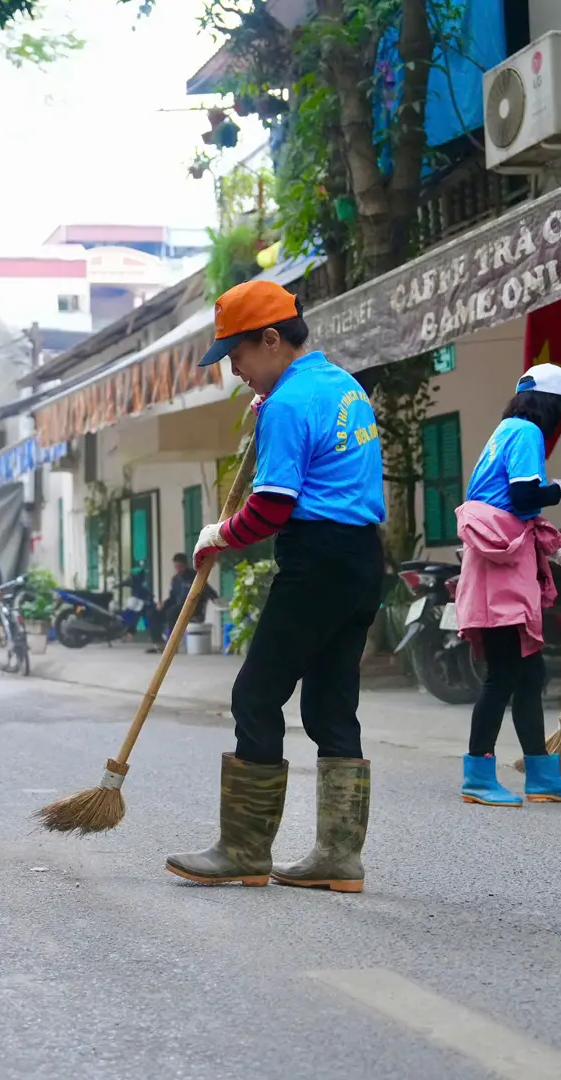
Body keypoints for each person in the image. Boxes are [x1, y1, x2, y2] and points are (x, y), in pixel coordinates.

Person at [165, 281, 385, 894]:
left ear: (270, 339)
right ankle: (339, 860)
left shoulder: (289, 404)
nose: (235, 371)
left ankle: (243, 849)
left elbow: (272, 509)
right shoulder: (343, 387)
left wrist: (219, 537)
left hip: (315, 561)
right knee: (329, 705)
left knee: (256, 696)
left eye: (237, 356)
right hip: (363, 560)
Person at [455, 364, 561, 807]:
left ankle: (541, 775)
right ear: (550, 405)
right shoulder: (527, 433)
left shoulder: (506, 430)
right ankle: (477, 775)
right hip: (500, 569)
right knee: (504, 675)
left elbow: (519, 514)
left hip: (501, 562)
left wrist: (558, 555)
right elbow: (523, 497)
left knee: (530, 673)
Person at [147, 552, 218, 653]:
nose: (178, 569)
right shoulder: (175, 580)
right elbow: (172, 598)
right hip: (176, 607)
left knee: (171, 612)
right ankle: (159, 643)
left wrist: (216, 599)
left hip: (193, 609)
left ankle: (172, 645)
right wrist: (163, 605)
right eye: (176, 567)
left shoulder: (195, 577)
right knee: (153, 614)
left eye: (180, 567)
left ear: (185, 565)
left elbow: (208, 591)